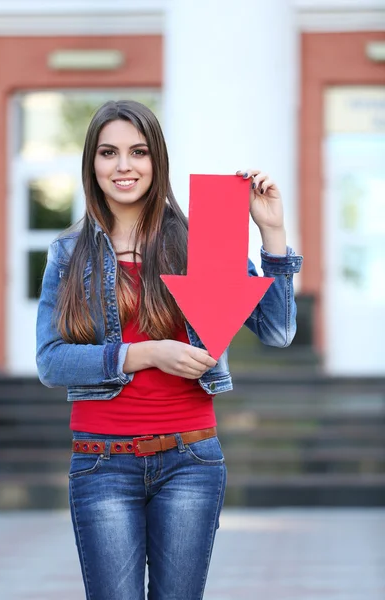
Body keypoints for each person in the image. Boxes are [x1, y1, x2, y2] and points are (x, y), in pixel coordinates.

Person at [36, 99, 302, 600]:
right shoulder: (69, 254)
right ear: (92, 164)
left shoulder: (203, 240)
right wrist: (147, 353)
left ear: (157, 160)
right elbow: (51, 361)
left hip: (191, 461)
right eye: (108, 152)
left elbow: (277, 332)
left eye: (138, 152)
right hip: (101, 462)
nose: (123, 166)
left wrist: (272, 233)